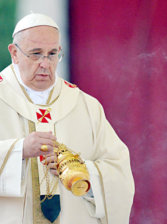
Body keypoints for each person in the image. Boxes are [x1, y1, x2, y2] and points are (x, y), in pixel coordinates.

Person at [0, 13, 135, 224]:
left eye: (52, 54)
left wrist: (83, 171)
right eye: (36, 54)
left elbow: (119, 173)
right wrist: (18, 151)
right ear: (14, 53)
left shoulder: (85, 105)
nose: (45, 63)